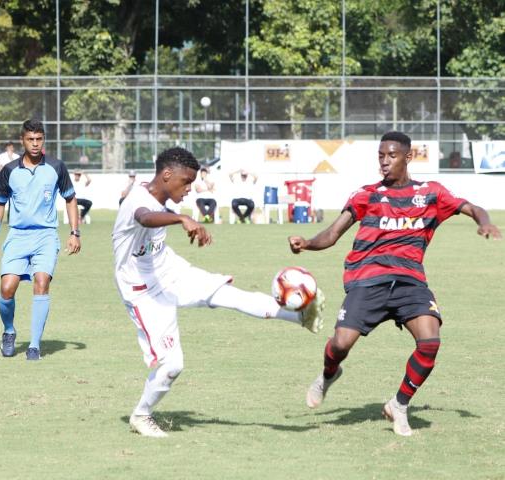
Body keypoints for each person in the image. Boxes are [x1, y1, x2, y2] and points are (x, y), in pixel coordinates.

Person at [289, 131, 502, 437]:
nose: (385, 162)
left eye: (391, 156)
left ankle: (399, 404)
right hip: (367, 279)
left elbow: (472, 208)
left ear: (408, 157)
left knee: (430, 342)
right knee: (340, 344)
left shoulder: (431, 193)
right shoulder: (367, 194)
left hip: (410, 281)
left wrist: (484, 223)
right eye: (381, 156)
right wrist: (307, 243)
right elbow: (333, 233)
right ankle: (327, 376)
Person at [112, 146, 325, 438]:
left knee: (229, 294)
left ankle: (300, 317)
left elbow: (157, 211)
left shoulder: (159, 198)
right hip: (142, 291)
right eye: (186, 182)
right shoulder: (137, 200)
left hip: (168, 271)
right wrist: (183, 219)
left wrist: (185, 220)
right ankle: (141, 415)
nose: (190, 188)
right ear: (166, 174)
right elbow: (144, 217)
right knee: (172, 365)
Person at [0, 119, 81, 361]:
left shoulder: (56, 167)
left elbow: (70, 198)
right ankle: (9, 331)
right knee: (7, 289)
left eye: (39, 139)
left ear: (44, 140)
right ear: (22, 141)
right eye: (31, 139)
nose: (35, 144)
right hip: (17, 236)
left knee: (41, 282)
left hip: (46, 236)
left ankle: (34, 346)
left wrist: (74, 232)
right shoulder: (9, 171)